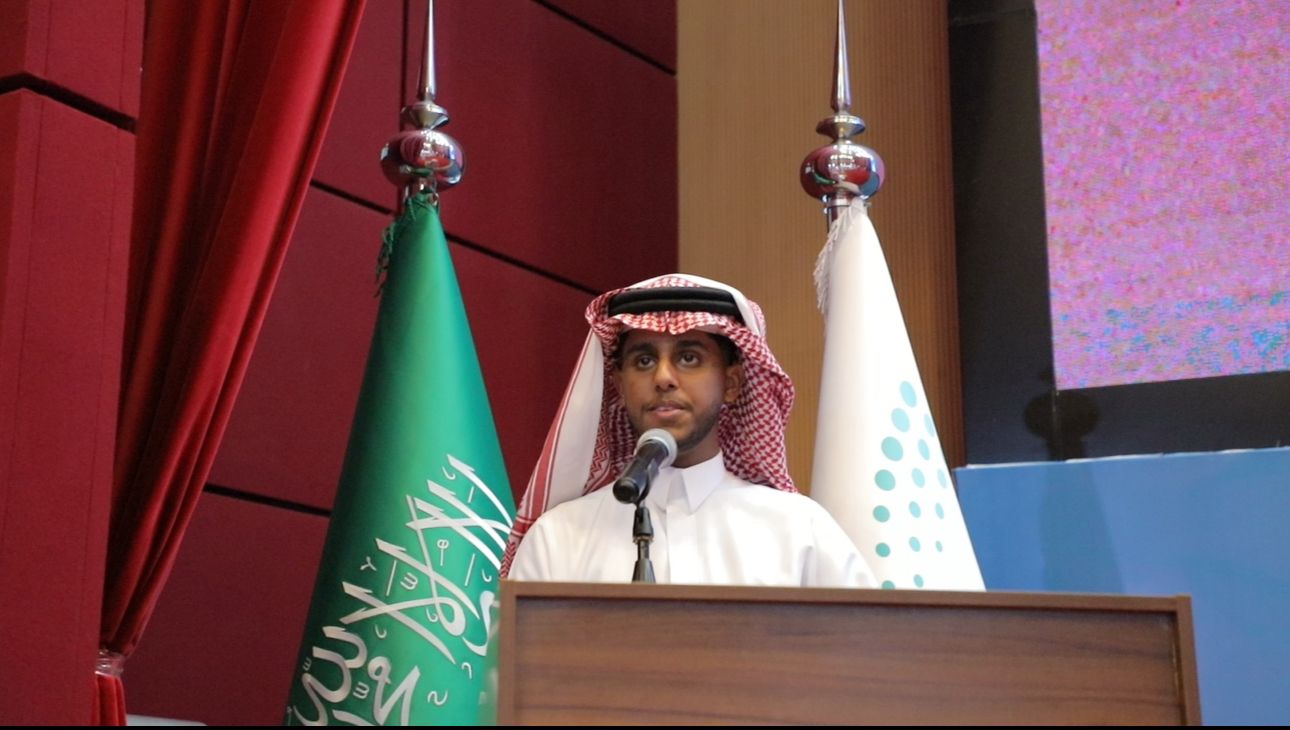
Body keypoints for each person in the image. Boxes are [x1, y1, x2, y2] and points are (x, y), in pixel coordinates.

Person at [502, 274, 872, 587]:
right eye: (644, 360)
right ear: (618, 384)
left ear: (732, 383)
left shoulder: (800, 533)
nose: (663, 377)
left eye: (688, 357)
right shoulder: (558, 541)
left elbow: (872, 645)